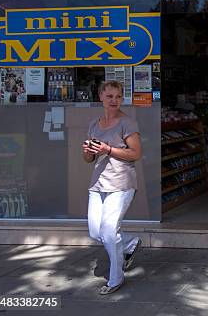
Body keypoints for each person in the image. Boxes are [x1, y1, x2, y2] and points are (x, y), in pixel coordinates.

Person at [82, 80, 142, 295]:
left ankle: (116, 278)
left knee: (108, 231)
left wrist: (108, 149)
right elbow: (88, 159)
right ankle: (129, 243)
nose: (114, 100)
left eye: (118, 96)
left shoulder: (128, 123)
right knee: (95, 231)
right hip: (98, 183)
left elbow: (135, 153)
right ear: (101, 98)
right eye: (109, 96)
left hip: (122, 181)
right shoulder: (94, 124)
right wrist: (89, 151)